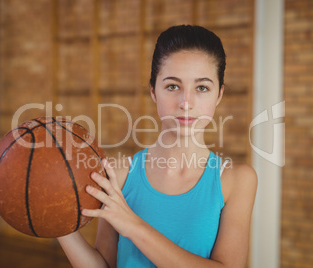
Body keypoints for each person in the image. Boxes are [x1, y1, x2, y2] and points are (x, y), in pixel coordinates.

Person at [57, 25, 257, 267]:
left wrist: (133, 225)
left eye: (202, 88)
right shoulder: (118, 175)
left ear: (219, 95)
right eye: (172, 86)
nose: (186, 102)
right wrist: (53, 217)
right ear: (153, 91)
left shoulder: (236, 180)